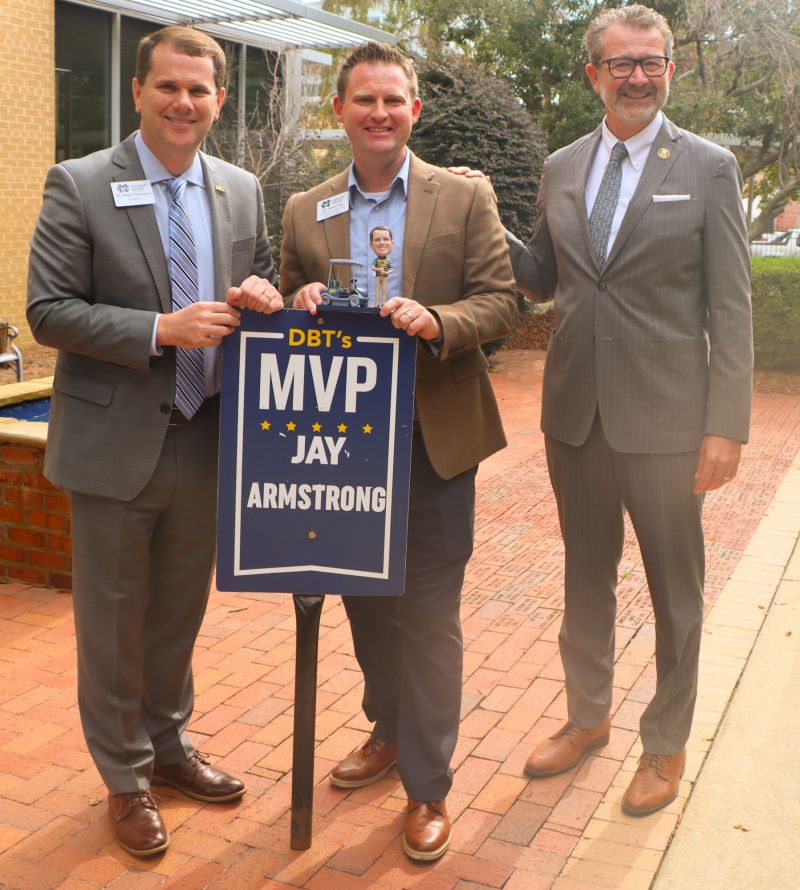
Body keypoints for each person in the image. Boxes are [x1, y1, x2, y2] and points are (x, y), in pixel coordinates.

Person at [27, 26, 283, 856]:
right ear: (138, 92)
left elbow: (265, 274)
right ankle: (124, 778)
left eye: (199, 89)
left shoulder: (241, 188)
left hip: (206, 438)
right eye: (168, 86)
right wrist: (161, 329)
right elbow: (48, 311)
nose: (184, 102)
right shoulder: (81, 182)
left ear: (218, 98)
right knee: (111, 622)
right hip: (114, 443)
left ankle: (168, 747)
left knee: (176, 615)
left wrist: (260, 290)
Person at [504, 4, 753, 816]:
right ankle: (587, 717)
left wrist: (726, 425)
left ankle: (667, 742)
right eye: (622, 64)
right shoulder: (562, 166)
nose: (638, 76)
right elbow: (543, 276)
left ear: (670, 71)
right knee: (584, 576)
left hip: (671, 425)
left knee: (676, 590)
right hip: (576, 414)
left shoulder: (710, 167)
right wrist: (479, 215)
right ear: (594, 74)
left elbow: (733, 307)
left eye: (652, 62)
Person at [281, 42, 517, 861]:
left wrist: (441, 321)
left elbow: (502, 299)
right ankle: (387, 731)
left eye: (394, 100)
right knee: (366, 606)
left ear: (414, 110)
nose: (379, 113)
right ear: (339, 111)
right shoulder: (305, 208)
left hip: (434, 442)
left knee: (427, 617)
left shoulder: (465, 195)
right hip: (343, 449)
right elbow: (284, 309)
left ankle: (428, 786)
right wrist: (296, 298)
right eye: (364, 100)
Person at [369, 225, 394, 306]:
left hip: (385, 277)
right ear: (371, 245)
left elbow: (392, 269)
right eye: (377, 240)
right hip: (377, 276)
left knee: (384, 290)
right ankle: (377, 304)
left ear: (392, 243)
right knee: (377, 290)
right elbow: (372, 267)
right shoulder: (376, 260)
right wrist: (378, 269)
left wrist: (387, 272)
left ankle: (383, 303)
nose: (382, 242)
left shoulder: (388, 261)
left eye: (386, 239)